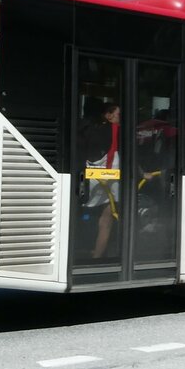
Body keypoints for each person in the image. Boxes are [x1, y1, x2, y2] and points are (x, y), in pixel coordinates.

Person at [82, 101, 120, 259]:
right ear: (108, 115)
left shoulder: (86, 129)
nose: (121, 119)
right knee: (107, 220)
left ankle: (91, 252)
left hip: (89, 179)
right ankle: (98, 256)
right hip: (109, 180)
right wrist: (142, 173)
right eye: (119, 115)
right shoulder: (115, 130)